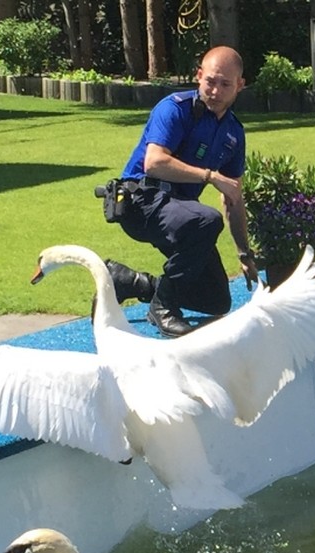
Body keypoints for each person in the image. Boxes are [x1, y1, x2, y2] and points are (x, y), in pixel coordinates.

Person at [103, 46, 258, 337]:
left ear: (240, 85)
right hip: (142, 201)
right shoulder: (175, 108)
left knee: (216, 300)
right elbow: (154, 163)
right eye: (210, 81)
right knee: (207, 220)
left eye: (225, 84)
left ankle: (129, 281)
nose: (215, 90)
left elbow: (233, 198)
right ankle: (163, 308)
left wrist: (244, 252)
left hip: (180, 211)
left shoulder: (234, 133)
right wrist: (211, 176)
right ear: (199, 76)